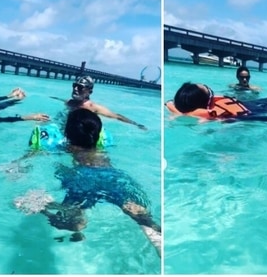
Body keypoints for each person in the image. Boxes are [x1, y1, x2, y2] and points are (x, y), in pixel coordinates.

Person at [16, 108, 161, 256]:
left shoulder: (65, 147)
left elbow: (38, 152)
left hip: (82, 178)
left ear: (66, 133)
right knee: (139, 213)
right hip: (112, 176)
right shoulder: (102, 145)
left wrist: (18, 162)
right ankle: (159, 241)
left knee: (72, 222)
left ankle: (45, 206)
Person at [165, 82, 267, 123]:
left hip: (248, 104)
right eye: (206, 89)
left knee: (263, 101)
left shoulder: (211, 103)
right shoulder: (217, 116)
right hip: (251, 113)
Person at [57, 76, 147, 130]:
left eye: (80, 87)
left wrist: (136, 124)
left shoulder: (94, 108)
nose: (75, 89)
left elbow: (117, 116)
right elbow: (60, 100)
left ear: (89, 92)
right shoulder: (70, 102)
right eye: (74, 86)